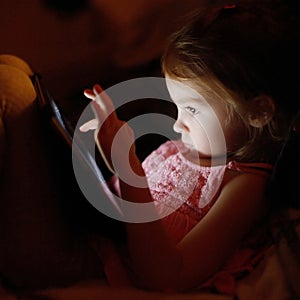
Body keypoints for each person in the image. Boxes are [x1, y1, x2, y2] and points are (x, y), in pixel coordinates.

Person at [79, 0, 300, 295]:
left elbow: (169, 277)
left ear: (258, 111)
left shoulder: (243, 187)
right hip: (84, 237)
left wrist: (129, 170)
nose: (176, 125)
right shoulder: (180, 149)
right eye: (177, 107)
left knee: (12, 89)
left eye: (192, 110)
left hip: (88, 261)